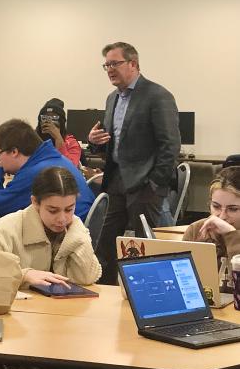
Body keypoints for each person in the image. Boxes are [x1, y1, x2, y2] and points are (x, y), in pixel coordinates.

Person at [0, 167, 118, 369]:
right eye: (53, 210)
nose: (62, 218)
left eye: (69, 209)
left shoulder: (71, 229)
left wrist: (77, 234)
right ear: (35, 202)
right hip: (15, 337)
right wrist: (23, 275)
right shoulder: (6, 231)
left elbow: (88, 276)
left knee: (102, 367)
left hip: (61, 331)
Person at [88, 42, 180, 284]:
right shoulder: (112, 99)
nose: (109, 69)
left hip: (145, 184)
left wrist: (155, 184)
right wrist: (94, 141)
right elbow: (112, 140)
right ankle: (104, 292)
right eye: (106, 64)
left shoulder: (157, 96)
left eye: (114, 63)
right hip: (116, 179)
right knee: (105, 243)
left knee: (142, 247)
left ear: (133, 64)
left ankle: (148, 294)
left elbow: (170, 144)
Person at [0, 119, 94, 220]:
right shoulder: (54, 159)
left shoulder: (36, 173)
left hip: (63, 241)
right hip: (79, 234)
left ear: (14, 152)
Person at [182, 166, 240, 274]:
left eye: (233, 209)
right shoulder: (196, 230)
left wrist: (231, 235)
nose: (222, 217)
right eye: (216, 206)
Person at [36, 98, 82, 166]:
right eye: (44, 118)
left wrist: (58, 137)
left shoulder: (71, 142)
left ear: (61, 122)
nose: (49, 122)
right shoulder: (33, 139)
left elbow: (70, 168)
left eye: (54, 118)